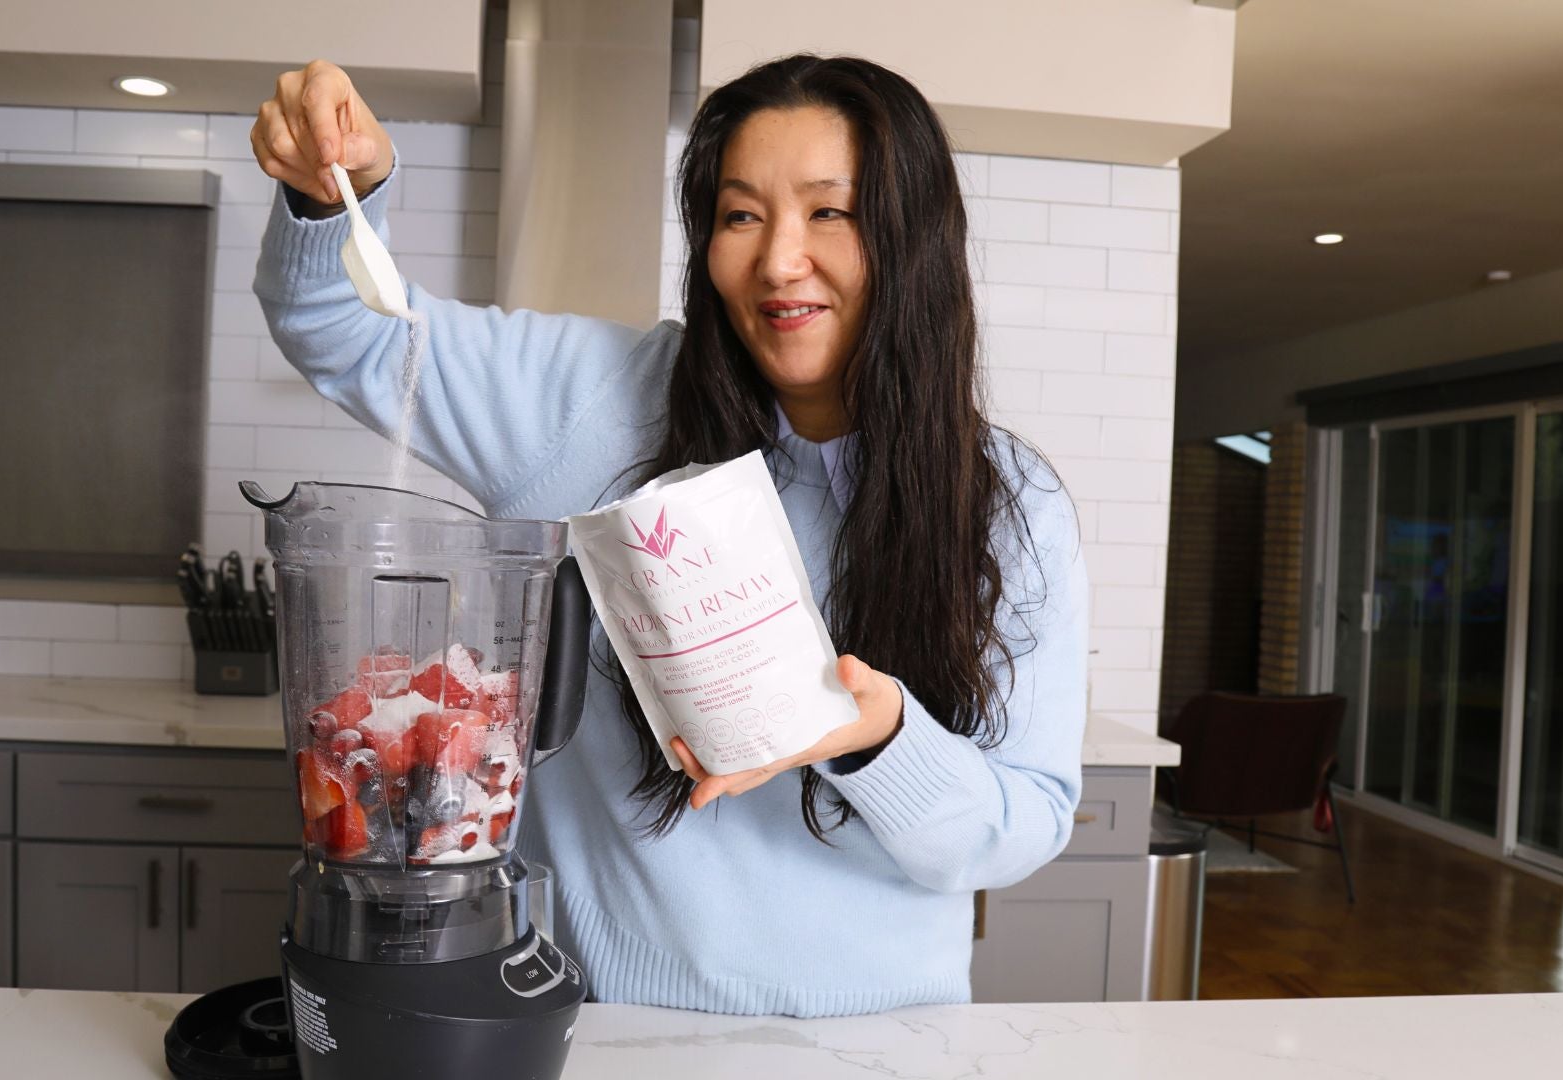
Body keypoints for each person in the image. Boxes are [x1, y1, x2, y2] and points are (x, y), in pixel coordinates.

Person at [251, 54, 1089, 1018]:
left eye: (830, 211)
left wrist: (878, 739)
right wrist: (332, 201)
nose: (778, 261)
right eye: (740, 215)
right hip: (608, 1025)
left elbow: (1024, 824)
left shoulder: (1008, 503)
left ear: (915, 239)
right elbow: (343, 331)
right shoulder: (591, 404)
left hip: (889, 1033)